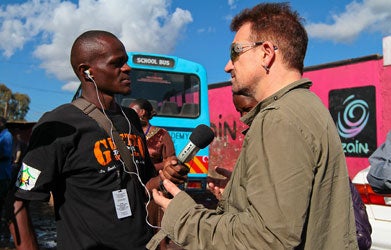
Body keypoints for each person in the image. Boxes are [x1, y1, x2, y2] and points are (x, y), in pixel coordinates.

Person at [147, 3, 358, 249]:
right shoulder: (304, 105)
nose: (228, 65)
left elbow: (265, 238)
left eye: (236, 51)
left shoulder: (279, 118)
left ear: (266, 53)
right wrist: (240, 194)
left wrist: (184, 215)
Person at [8, 30, 188, 250]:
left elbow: (146, 184)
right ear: (87, 72)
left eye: (126, 62)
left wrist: (165, 177)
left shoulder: (129, 118)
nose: (127, 68)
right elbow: (18, 200)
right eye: (117, 63)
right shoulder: (58, 124)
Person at [130, 98, 176, 250]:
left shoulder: (161, 134)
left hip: (153, 191)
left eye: (133, 111)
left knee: (155, 231)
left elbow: (170, 161)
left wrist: (150, 166)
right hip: (132, 188)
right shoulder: (129, 134)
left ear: (142, 113)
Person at [0, 116, 13, 241]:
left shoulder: (7, 136)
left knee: (4, 203)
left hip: (3, 175)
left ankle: (6, 231)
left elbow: (6, 155)